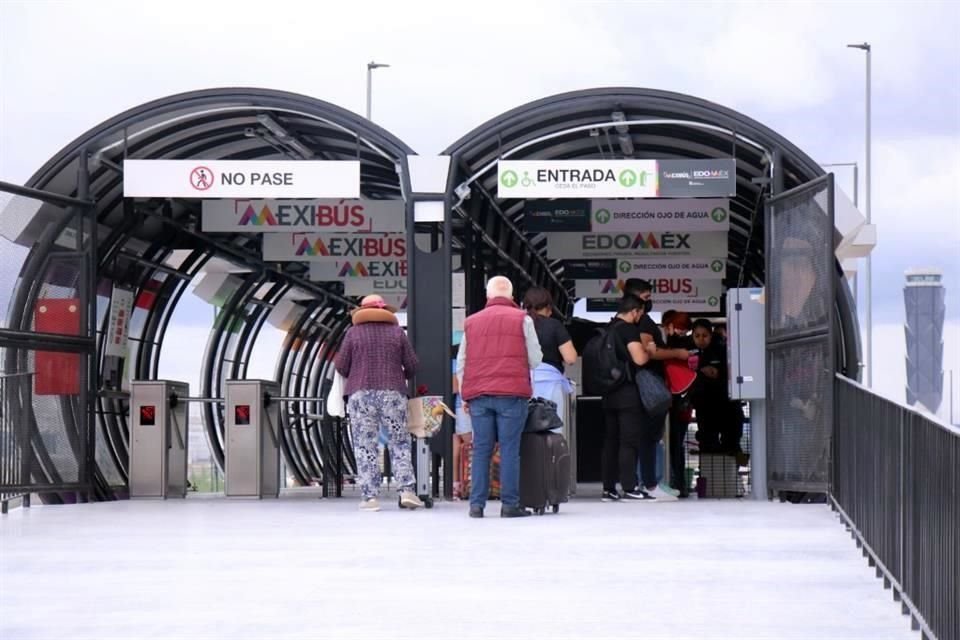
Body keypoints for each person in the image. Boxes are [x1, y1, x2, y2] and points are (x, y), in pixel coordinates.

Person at [457, 275, 542, 518]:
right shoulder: (522, 319)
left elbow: (462, 362)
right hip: (512, 395)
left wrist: (466, 395)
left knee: (481, 448)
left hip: (479, 396)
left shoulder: (471, 322)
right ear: (512, 297)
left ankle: (476, 505)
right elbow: (535, 359)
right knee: (509, 450)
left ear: (488, 297)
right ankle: (509, 505)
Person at [335, 295, 422, 512]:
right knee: (399, 442)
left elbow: (341, 365)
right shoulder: (396, 332)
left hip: (361, 395)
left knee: (365, 446)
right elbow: (412, 364)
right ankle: (406, 491)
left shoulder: (353, 333)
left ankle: (370, 496)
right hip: (393, 393)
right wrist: (403, 375)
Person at [600, 295, 668, 501]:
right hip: (627, 393)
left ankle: (609, 489)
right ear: (634, 312)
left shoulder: (608, 328)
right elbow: (639, 359)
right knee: (629, 441)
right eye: (640, 313)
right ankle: (629, 487)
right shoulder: (628, 329)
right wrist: (650, 350)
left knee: (611, 441)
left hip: (609, 391)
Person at [522, 286, 577, 428]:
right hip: (550, 385)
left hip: (521, 384)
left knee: (522, 429)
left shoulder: (517, 324)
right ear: (547, 306)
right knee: (552, 428)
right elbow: (570, 358)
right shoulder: (554, 325)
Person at [690, 318, 743, 455]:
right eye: (697, 336)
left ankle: (733, 474)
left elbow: (736, 371)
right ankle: (708, 476)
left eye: (705, 335)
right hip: (705, 409)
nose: (701, 339)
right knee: (708, 446)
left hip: (727, 407)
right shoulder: (689, 353)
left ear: (711, 335)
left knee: (731, 445)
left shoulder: (723, 350)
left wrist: (719, 373)